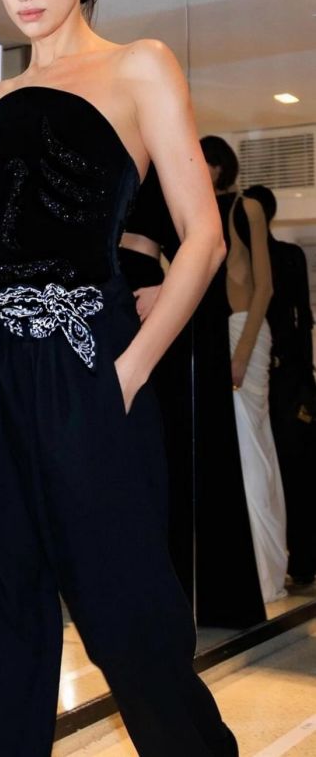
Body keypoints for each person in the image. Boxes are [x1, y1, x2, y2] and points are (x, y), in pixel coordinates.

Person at [0, 0, 238, 757]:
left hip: (84, 357)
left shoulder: (139, 65)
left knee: (132, 616)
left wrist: (127, 370)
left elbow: (203, 238)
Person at [119, 166, 266, 628]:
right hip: (96, 293)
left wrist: (169, 288)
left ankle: (165, 588)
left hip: (141, 293)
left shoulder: (163, 165)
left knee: (158, 442)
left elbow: (205, 248)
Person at [201, 138, 288, 605]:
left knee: (251, 444)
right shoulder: (195, 210)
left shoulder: (245, 207)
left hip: (241, 330)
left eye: (206, 161)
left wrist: (243, 350)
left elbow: (265, 287)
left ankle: (264, 569)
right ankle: (241, 565)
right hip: (211, 333)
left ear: (220, 166)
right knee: (233, 449)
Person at [243, 184, 316, 586]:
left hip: (281, 375)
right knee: (287, 467)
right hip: (282, 373)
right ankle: (296, 561)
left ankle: (299, 561)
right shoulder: (284, 256)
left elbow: (301, 319)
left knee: (287, 467)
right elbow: (302, 320)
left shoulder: (279, 257)